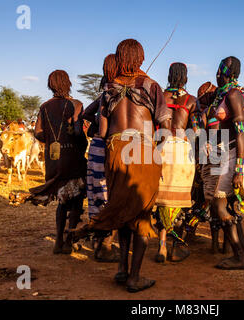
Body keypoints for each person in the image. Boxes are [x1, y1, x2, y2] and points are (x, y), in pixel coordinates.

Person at [72, 39, 172, 293]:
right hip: (142, 149)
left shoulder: (109, 88)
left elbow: (103, 131)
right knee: (140, 213)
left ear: (119, 57)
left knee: (122, 207)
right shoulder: (151, 85)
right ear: (140, 57)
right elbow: (166, 127)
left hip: (115, 150)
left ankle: (121, 269)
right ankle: (134, 278)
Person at [29, 70, 88, 254]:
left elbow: (37, 132)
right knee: (76, 200)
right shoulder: (76, 104)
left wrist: (52, 138)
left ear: (50, 85)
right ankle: (69, 241)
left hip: (53, 160)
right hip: (73, 158)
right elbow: (79, 133)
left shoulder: (45, 106)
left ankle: (58, 242)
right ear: (68, 83)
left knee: (62, 201)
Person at [201, 56, 244, 269]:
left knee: (220, 206)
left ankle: (240, 256)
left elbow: (241, 132)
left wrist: (239, 169)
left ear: (226, 73)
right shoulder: (220, 95)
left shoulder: (233, 95)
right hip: (219, 153)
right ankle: (243, 255)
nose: (217, 75)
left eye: (220, 72)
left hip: (229, 154)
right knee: (227, 205)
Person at [154, 62, 197, 263]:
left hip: (160, 148)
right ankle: (175, 247)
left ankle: (161, 246)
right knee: (178, 202)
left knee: (162, 201)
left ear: (169, 76)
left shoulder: (159, 97)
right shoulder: (191, 101)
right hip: (182, 151)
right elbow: (196, 132)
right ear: (185, 78)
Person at [80, 53, 120, 262]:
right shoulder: (117, 93)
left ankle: (98, 241)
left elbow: (85, 114)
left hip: (96, 147)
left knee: (96, 192)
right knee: (109, 193)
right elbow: (104, 131)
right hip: (110, 145)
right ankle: (106, 244)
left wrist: (91, 129)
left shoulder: (102, 95)